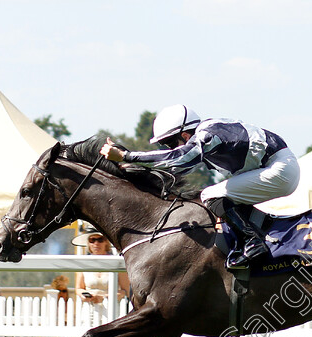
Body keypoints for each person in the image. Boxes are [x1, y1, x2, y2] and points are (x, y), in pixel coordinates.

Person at [99, 104, 300, 269]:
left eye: (169, 142)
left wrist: (128, 156)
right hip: (275, 167)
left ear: (185, 135)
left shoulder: (207, 135)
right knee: (220, 195)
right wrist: (127, 166)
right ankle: (256, 239)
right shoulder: (207, 133)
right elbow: (177, 169)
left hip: (280, 169)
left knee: (210, 195)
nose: (169, 148)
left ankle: (253, 242)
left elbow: (178, 158)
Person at [72, 226, 130, 305]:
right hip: (89, 309)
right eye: (92, 240)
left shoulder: (116, 262)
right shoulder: (84, 263)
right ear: (88, 244)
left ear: (106, 242)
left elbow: (125, 291)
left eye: (100, 240)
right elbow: (79, 288)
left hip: (111, 309)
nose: (96, 243)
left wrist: (104, 297)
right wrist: (86, 296)